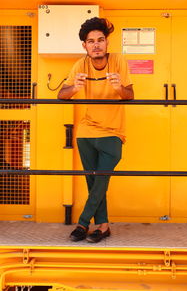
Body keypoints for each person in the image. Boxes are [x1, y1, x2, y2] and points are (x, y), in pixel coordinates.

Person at [58, 17, 134, 243]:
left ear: (107, 43)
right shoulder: (80, 65)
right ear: (85, 46)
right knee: (93, 182)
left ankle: (82, 223)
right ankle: (103, 227)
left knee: (100, 180)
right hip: (86, 132)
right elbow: (61, 95)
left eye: (100, 40)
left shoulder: (119, 60)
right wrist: (75, 88)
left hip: (112, 132)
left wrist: (118, 87)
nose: (96, 44)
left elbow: (130, 95)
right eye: (91, 41)